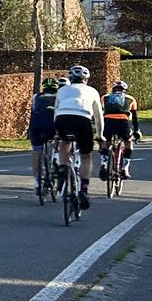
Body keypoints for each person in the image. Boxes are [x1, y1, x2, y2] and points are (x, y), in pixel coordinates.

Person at [53, 65, 105, 208]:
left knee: (64, 141)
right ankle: (84, 188)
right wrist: (100, 135)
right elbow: (99, 117)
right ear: (86, 79)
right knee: (86, 155)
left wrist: (56, 132)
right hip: (82, 120)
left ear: (70, 78)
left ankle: (63, 168)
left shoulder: (62, 90)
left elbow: (56, 110)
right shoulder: (93, 91)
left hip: (63, 119)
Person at [100, 80, 142, 179]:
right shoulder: (130, 99)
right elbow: (135, 117)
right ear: (124, 90)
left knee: (106, 143)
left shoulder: (104, 97)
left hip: (107, 121)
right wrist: (136, 130)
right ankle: (125, 168)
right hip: (122, 122)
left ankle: (104, 163)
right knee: (128, 142)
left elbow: (100, 111)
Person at [28, 78, 61, 192]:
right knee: (59, 139)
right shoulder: (59, 98)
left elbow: (33, 111)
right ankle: (55, 158)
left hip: (36, 127)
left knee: (36, 151)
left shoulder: (36, 97)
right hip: (52, 126)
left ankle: (37, 182)